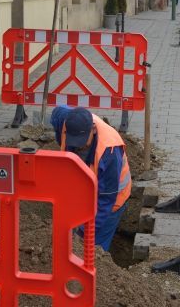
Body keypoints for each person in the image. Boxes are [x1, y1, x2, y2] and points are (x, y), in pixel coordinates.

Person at [50, 106, 131, 251]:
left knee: (93, 249)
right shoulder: (70, 121)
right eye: (73, 140)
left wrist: (83, 232)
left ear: (93, 129)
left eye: (82, 141)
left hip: (111, 203)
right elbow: (58, 112)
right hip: (85, 193)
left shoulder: (109, 153)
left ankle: (98, 271)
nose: (77, 146)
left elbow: (106, 200)